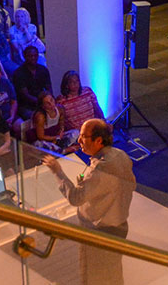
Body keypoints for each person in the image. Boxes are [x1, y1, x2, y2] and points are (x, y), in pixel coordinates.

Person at [43, 119, 135, 285]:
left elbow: (76, 198)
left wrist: (58, 172)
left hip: (99, 234)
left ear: (98, 140)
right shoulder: (121, 155)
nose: (79, 141)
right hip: (120, 227)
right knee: (114, 274)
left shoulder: (100, 168)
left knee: (93, 278)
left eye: (83, 137)